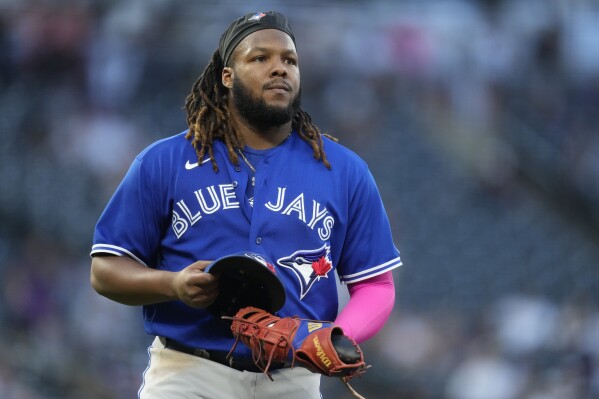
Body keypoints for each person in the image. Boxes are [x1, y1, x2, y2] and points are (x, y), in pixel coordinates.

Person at [90, 10, 401, 399]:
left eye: (290, 60)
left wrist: (336, 335)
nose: (279, 69)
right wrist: (172, 284)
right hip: (189, 373)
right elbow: (105, 270)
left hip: (291, 381)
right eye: (260, 58)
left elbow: (376, 284)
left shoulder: (344, 171)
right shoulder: (164, 161)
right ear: (227, 76)